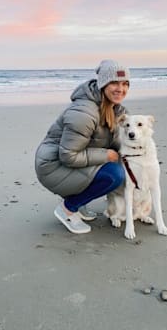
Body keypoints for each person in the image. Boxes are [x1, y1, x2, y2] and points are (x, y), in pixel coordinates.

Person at [34, 59, 130, 234]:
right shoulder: (84, 112)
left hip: (72, 160)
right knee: (114, 174)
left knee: (122, 164)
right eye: (114, 82)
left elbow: (117, 143)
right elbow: (68, 156)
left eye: (125, 84)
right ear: (103, 84)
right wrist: (107, 155)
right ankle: (68, 209)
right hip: (53, 166)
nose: (120, 89)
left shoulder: (116, 110)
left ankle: (80, 202)